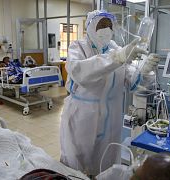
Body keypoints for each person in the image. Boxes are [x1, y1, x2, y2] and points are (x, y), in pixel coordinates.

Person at [60, 10, 160, 175]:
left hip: (111, 118)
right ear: (91, 26)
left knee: (105, 161)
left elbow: (131, 81)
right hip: (83, 116)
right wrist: (117, 57)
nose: (106, 29)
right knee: (77, 164)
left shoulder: (116, 48)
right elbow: (79, 72)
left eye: (108, 25)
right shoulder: (78, 47)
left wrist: (144, 71)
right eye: (101, 25)